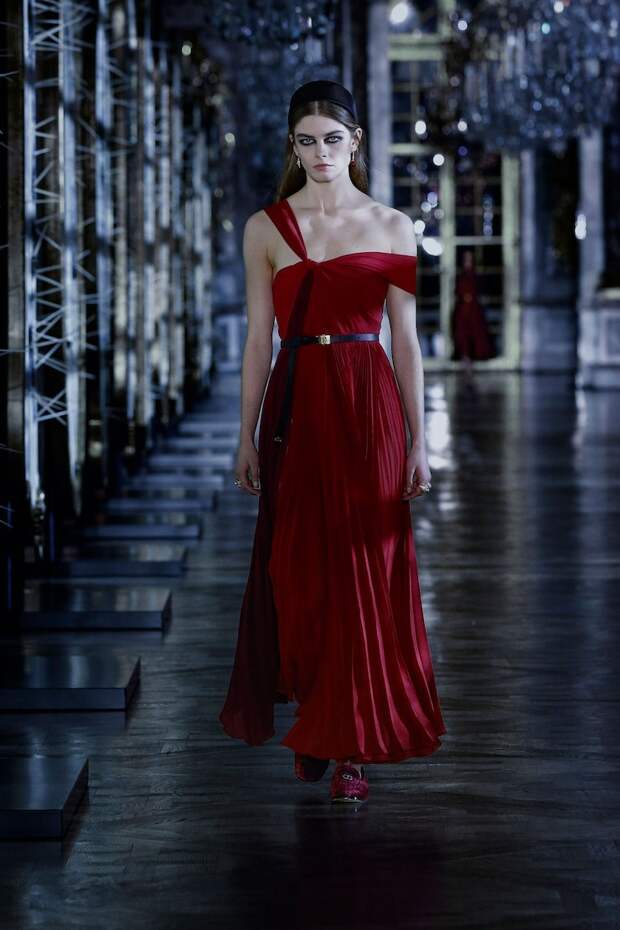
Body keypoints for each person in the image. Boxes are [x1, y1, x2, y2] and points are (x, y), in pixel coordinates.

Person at [219, 79, 446, 804]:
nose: (321, 153)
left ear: (356, 144)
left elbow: (406, 341)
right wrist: (245, 435)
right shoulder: (265, 229)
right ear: (293, 147)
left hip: (368, 405)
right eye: (307, 141)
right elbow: (258, 340)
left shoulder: (393, 226)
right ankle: (319, 712)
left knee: (363, 569)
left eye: (333, 140)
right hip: (295, 406)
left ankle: (348, 746)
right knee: (298, 570)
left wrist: (419, 441)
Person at [451, 249, 494, 369]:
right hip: (463, 310)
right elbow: (458, 291)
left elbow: (479, 290)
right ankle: (465, 356)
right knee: (462, 333)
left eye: (470, 259)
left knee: (476, 333)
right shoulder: (460, 276)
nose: (468, 262)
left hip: (473, 310)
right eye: (466, 259)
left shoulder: (476, 276)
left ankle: (475, 357)